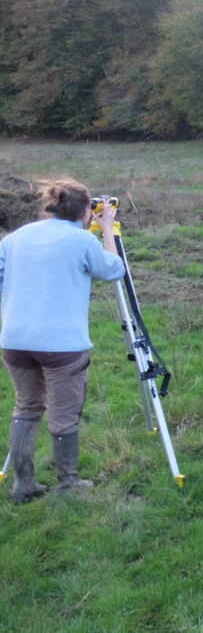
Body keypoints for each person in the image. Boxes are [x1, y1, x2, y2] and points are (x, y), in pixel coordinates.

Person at [1, 178, 125, 504]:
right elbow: (113, 269)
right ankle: (68, 483)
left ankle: (23, 484)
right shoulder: (81, 241)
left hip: (15, 340)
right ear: (86, 210)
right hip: (62, 346)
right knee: (64, 415)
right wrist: (108, 229)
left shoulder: (16, 238)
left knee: (26, 407)